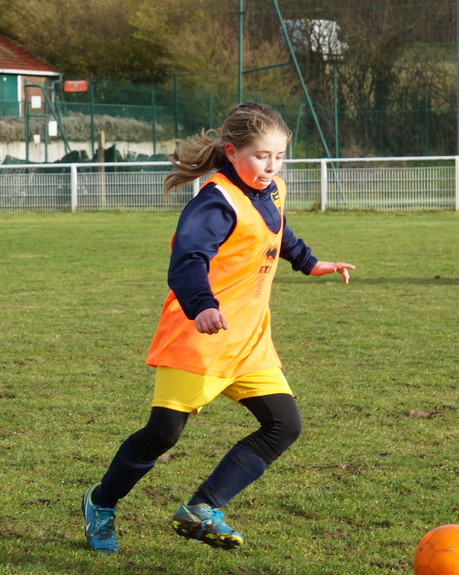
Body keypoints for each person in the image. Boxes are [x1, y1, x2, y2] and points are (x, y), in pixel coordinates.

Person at [81, 102, 356, 554]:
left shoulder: (272, 190)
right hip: (199, 337)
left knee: (284, 425)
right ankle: (102, 501)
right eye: (261, 156)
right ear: (232, 152)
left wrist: (310, 262)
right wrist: (202, 306)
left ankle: (203, 507)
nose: (271, 166)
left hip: (249, 342)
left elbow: (276, 232)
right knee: (163, 434)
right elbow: (187, 261)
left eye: (279, 156)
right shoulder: (216, 201)